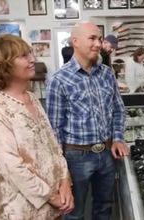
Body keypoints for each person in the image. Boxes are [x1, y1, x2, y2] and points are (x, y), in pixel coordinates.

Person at [0, 35, 74, 219]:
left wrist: (64, 181)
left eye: (30, 53)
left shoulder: (31, 98)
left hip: (54, 205)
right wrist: (51, 196)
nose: (32, 59)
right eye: (23, 56)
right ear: (3, 65)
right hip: (23, 210)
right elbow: (12, 166)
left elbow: (53, 146)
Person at [46, 22, 129, 220]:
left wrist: (117, 138)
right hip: (76, 158)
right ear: (75, 41)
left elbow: (118, 109)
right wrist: (61, 172)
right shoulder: (59, 80)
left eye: (99, 39)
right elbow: (54, 131)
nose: (98, 44)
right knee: (75, 213)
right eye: (92, 38)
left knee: (105, 207)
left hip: (107, 154)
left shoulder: (107, 74)